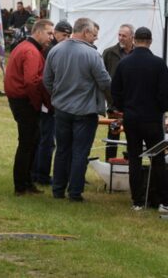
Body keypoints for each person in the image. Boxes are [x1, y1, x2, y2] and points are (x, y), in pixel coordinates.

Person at [44, 17, 111, 203]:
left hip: (62, 109)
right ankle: (75, 192)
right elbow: (105, 82)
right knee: (80, 152)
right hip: (85, 110)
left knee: (62, 150)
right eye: (93, 34)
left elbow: (47, 80)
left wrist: (57, 95)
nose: (95, 38)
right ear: (85, 32)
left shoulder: (55, 50)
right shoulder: (92, 54)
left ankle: (58, 188)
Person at [111, 27, 168, 212]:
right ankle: (164, 201)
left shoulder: (124, 63)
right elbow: (166, 92)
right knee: (158, 158)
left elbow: (115, 91)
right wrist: (159, 109)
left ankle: (137, 201)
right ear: (150, 41)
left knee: (134, 158)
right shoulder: (158, 63)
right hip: (152, 118)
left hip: (131, 118)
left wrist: (124, 108)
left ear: (134, 40)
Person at [4, 19, 54, 195]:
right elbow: (32, 82)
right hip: (24, 102)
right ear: (38, 32)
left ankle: (26, 182)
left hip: (20, 100)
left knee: (31, 142)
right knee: (27, 143)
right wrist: (37, 103)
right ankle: (21, 185)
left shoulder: (26, 47)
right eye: (49, 33)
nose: (51, 37)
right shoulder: (31, 51)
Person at [32, 19, 72, 185]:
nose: (67, 38)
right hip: (49, 103)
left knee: (45, 139)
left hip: (50, 101)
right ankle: (41, 174)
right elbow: (47, 79)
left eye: (69, 35)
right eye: (64, 35)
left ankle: (37, 172)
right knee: (47, 140)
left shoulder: (53, 49)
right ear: (56, 33)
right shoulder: (53, 50)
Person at [101, 24, 135, 160]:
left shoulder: (137, 53)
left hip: (132, 104)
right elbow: (102, 76)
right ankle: (109, 165)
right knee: (113, 135)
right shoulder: (109, 53)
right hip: (114, 105)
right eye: (119, 35)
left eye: (124, 36)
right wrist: (109, 99)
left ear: (132, 37)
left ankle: (129, 164)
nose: (121, 38)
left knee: (132, 136)